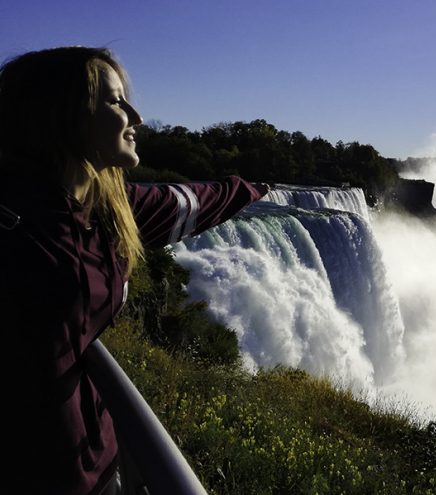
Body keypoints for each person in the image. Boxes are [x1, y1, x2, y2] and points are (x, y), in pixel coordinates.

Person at [0, 46, 270, 494]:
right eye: (115, 100)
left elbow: (196, 200)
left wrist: (254, 188)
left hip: (98, 466)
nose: (136, 116)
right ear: (62, 115)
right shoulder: (17, 225)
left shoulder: (108, 210)